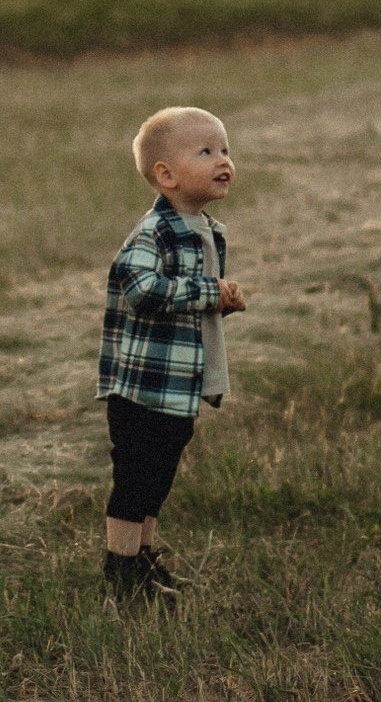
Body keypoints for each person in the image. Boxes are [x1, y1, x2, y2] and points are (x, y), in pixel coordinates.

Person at [95, 106, 247, 606]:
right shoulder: (154, 233)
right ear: (166, 175)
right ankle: (118, 572)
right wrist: (209, 292)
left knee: (159, 473)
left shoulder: (206, 229)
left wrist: (219, 305)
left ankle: (142, 556)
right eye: (206, 151)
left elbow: (185, 305)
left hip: (179, 384)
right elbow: (139, 287)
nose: (223, 160)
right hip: (145, 384)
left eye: (224, 149)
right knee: (136, 475)